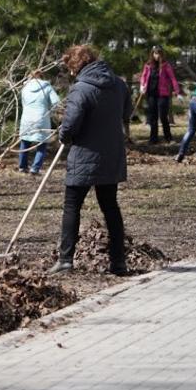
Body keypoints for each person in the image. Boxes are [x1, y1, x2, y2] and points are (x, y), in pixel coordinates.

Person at [49, 45, 132, 276]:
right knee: (110, 207)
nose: (71, 72)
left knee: (72, 206)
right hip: (111, 155)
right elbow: (127, 114)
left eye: (70, 67)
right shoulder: (119, 84)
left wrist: (64, 136)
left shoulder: (81, 89)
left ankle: (65, 260)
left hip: (84, 156)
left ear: (77, 65)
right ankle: (118, 263)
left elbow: (71, 123)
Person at [18, 69, 61, 175]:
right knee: (42, 144)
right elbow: (56, 103)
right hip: (41, 118)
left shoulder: (25, 88)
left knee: (25, 142)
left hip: (26, 119)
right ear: (41, 77)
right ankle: (35, 168)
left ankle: (22, 167)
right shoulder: (47, 87)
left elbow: (23, 103)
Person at [139, 45, 182, 144]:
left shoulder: (166, 65)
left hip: (163, 95)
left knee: (163, 116)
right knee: (153, 117)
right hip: (151, 94)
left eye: (159, 54)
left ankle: (168, 138)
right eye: (155, 53)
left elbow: (173, 79)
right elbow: (143, 77)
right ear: (152, 54)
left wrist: (177, 92)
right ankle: (153, 139)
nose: (157, 56)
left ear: (162, 55)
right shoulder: (148, 65)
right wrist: (142, 85)